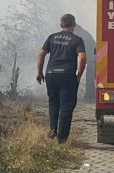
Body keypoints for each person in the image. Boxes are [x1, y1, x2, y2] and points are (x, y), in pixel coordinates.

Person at [36, 13, 87, 143]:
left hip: (51, 74)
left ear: (61, 25)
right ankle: (62, 138)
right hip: (67, 75)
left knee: (53, 103)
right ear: (74, 25)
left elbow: (41, 54)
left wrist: (39, 72)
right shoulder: (77, 40)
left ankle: (53, 130)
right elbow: (82, 57)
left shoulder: (52, 37)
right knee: (66, 107)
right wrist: (78, 75)